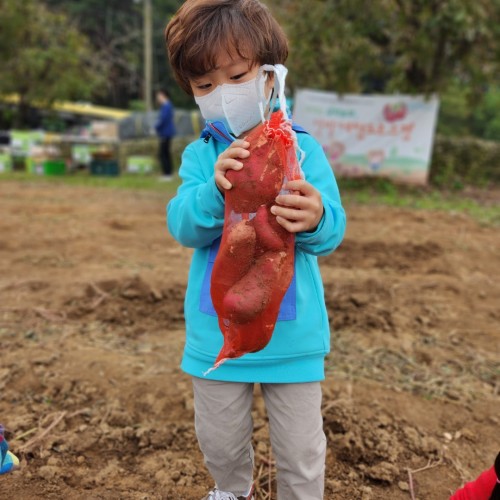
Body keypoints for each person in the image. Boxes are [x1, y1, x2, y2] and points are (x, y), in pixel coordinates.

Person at [164, 1, 346, 499]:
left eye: (237, 74)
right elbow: (181, 224)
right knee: (221, 444)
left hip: (294, 336)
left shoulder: (302, 149)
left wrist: (316, 218)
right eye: (204, 85)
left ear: (270, 74)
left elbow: (332, 231)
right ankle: (230, 491)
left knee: (302, 454)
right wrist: (212, 194)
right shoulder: (202, 154)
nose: (222, 94)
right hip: (215, 333)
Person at [155, 88, 176, 181]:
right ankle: (168, 173)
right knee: (165, 153)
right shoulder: (166, 106)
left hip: (165, 133)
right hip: (165, 132)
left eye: (159, 95)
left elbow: (163, 120)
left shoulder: (167, 106)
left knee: (164, 153)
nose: (157, 97)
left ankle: (167, 174)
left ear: (163, 95)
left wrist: (155, 127)